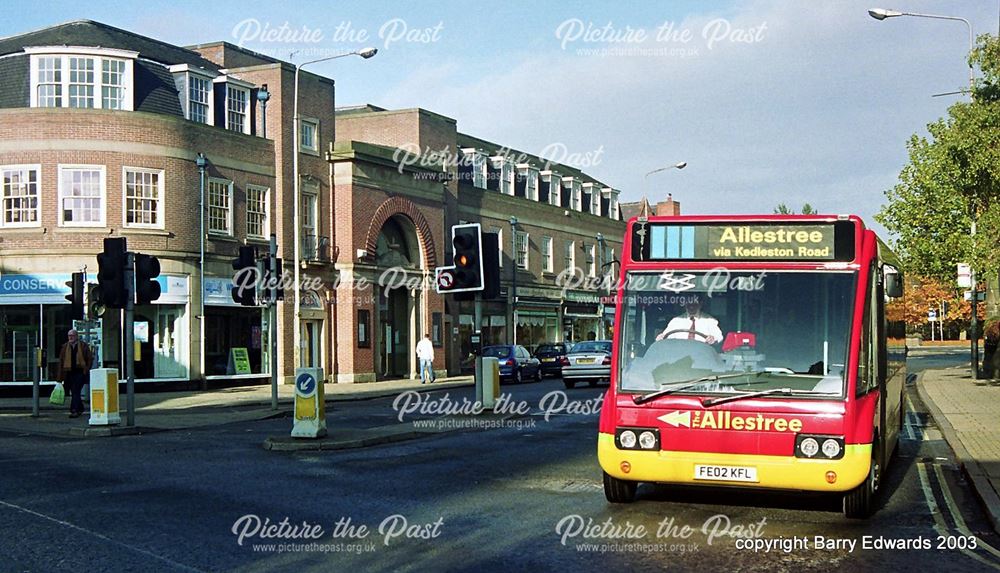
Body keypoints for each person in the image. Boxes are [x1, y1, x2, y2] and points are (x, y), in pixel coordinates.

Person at [655, 295, 723, 344]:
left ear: (700, 304)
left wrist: (713, 338)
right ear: (684, 304)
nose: (691, 307)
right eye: (689, 304)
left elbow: (718, 336)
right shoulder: (676, 321)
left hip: (701, 355)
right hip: (679, 355)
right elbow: (665, 336)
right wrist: (661, 337)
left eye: (694, 304)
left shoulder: (709, 320)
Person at [57, 329, 93, 418]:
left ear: (76, 336)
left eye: (72, 335)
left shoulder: (83, 346)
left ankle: (74, 410)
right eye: (69, 335)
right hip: (68, 373)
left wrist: (87, 369)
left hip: (80, 372)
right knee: (73, 391)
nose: (70, 337)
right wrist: (59, 377)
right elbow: (61, 361)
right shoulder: (65, 347)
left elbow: (89, 358)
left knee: (75, 390)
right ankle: (80, 408)